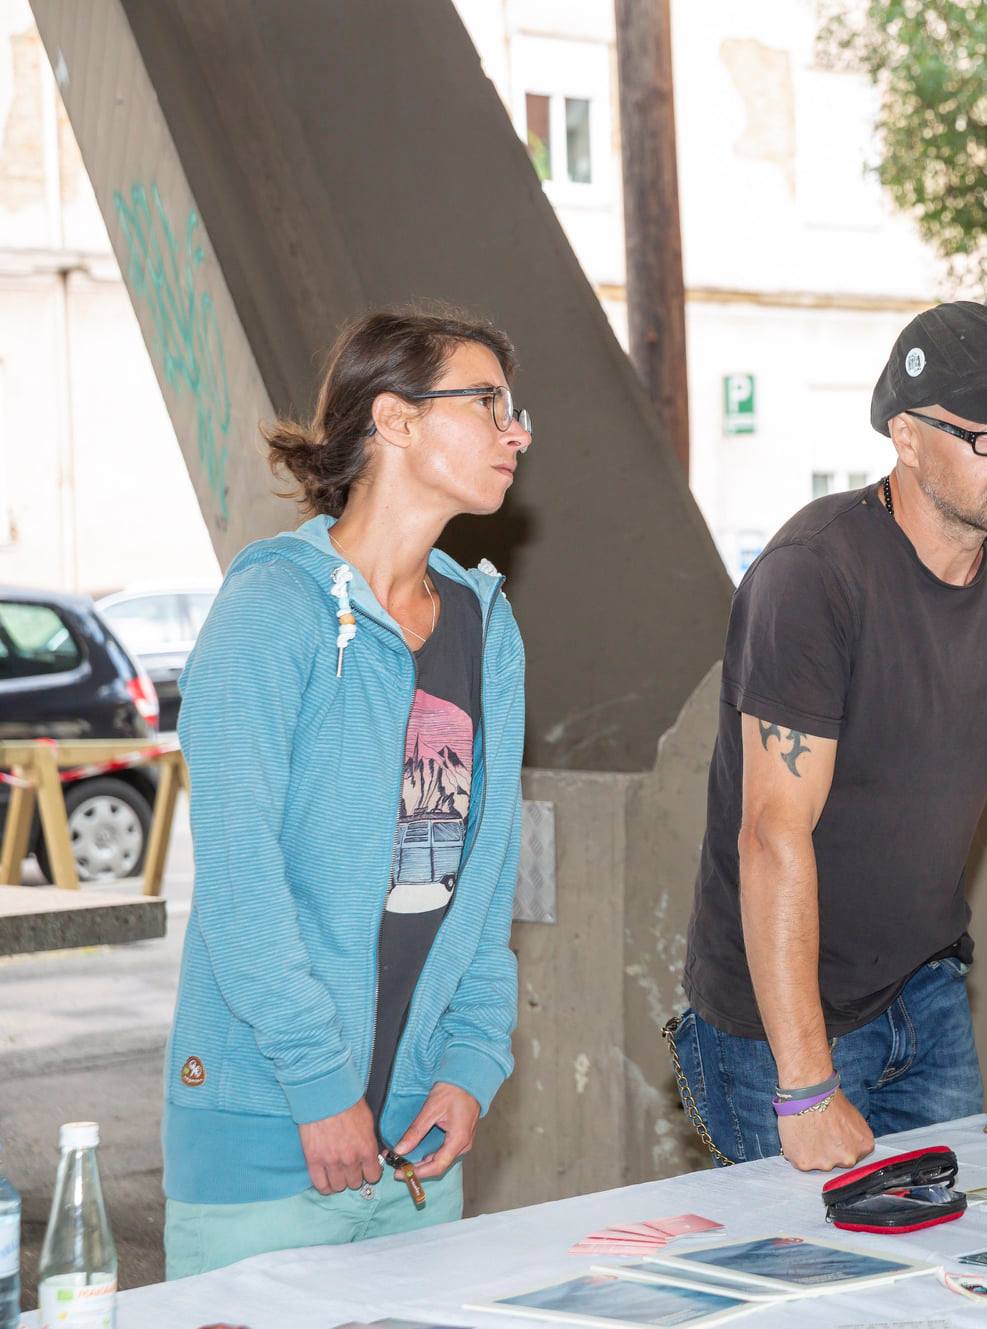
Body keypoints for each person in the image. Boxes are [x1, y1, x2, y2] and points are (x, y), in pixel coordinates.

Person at [672, 301, 987, 1171]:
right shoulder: (813, 578)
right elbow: (770, 832)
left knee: (944, 1282)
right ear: (905, 436)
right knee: (809, 1288)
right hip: (781, 1025)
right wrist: (806, 1084)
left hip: (925, 989)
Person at [161, 308, 531, 1276]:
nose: (516, 430)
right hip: (267, 1125)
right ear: (396, 421)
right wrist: (321, 1088)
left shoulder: (484, 627)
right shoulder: (271, 610)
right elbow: (241, 884)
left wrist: (469, 1067)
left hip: (420, 1136)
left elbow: (482, 882)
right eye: (487, 402)